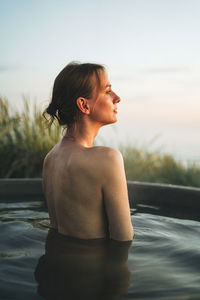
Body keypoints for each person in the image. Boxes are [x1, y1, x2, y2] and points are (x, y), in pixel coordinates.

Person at [42, 62, 134, 242]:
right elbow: (124, 240)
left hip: (54, 266)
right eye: (107, 91)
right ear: (84, 105)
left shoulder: (50, 158)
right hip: (93, 269)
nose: (117, 98)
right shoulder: (108, 159)